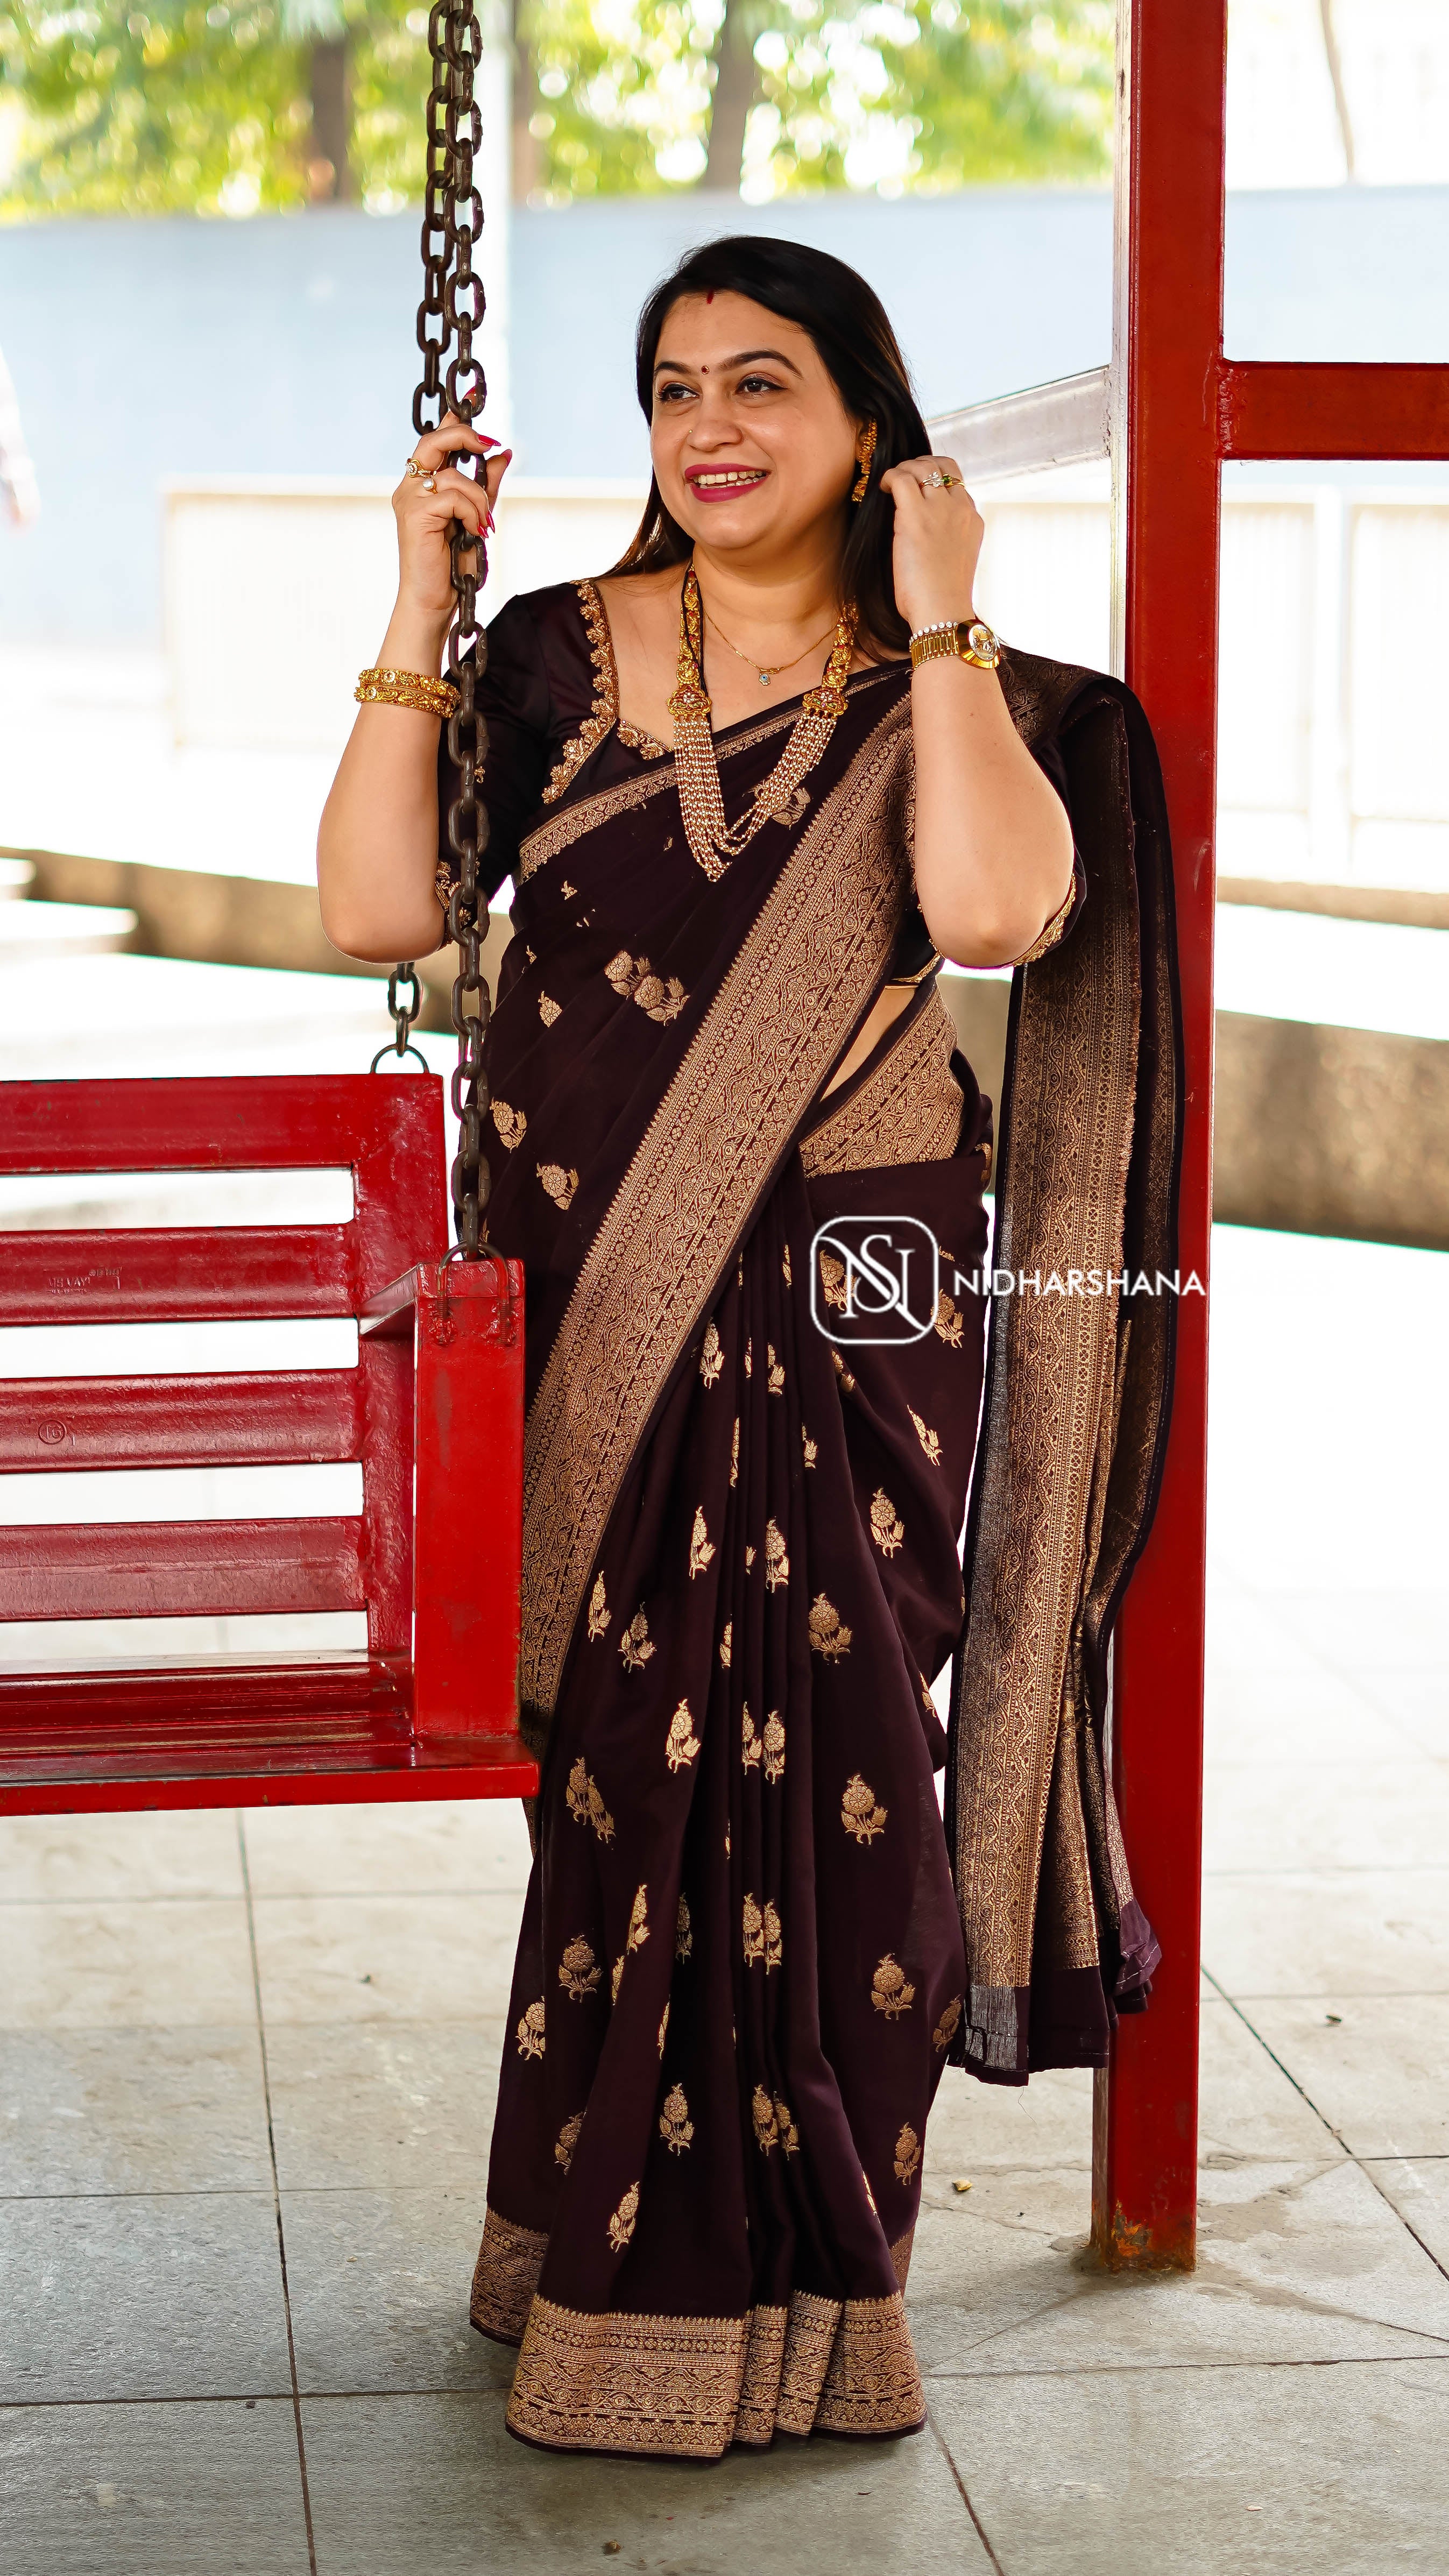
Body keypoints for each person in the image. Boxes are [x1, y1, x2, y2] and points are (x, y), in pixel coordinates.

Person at [317, 235, 1181, 2461]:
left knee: (842, 1776)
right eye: (674, 387)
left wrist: (947, 618)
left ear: (868, 423)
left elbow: (993, 913)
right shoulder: (548, 653)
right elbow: (377, 911)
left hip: (846, 1300)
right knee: (627, 1783)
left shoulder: (950, 687)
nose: (709, 427)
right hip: (596, 1296)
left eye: (763, 382)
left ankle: (817, 2303)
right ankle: (585, 2259)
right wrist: (417, 600)